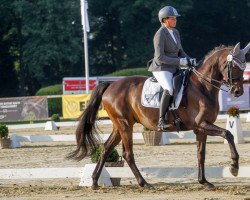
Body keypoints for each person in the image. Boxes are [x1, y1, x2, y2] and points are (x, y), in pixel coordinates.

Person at [148, 6, 196, 131]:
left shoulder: (175, 32)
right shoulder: (159, 34)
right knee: (169, 88)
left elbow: (180, 51)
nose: (175, 21)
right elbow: (160, 57)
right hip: (161, 68)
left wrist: (190, 59)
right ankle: (161, 120)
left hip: (174, 67)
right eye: (173, 19)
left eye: (175, 18)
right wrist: (180, 61)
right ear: (164, 20)